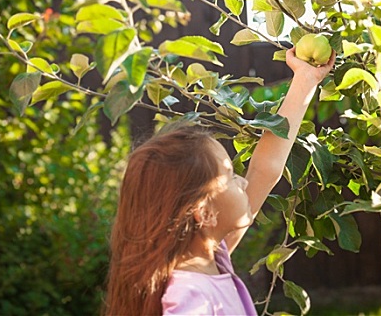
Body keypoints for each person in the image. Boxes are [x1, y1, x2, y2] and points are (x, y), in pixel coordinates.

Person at [103, 47, 335, 315]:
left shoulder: (213, 257)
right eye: (230, 177)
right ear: (204, 213)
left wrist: (305, 79)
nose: (244, 182)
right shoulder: (189, 297)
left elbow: (264, 169)